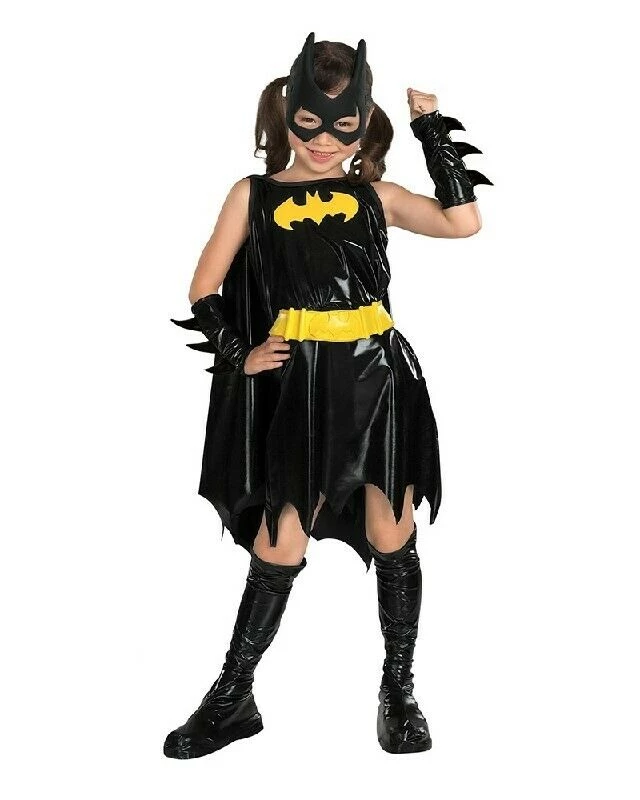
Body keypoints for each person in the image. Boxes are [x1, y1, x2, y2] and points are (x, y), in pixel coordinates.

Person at [165, 31, 492, 758]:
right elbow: (203, 289)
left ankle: (399, 692)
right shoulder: (252, 196)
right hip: (301, 388)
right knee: (279, 540)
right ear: (285, 116)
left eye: (342, 127)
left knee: (391, 532)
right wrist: (241, 353)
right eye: (308, 123)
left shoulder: (375, 196)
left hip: (380, 382)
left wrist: (431, 129)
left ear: (363, 124)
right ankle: (233, 696)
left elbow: (463, 221)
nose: (322, 141)